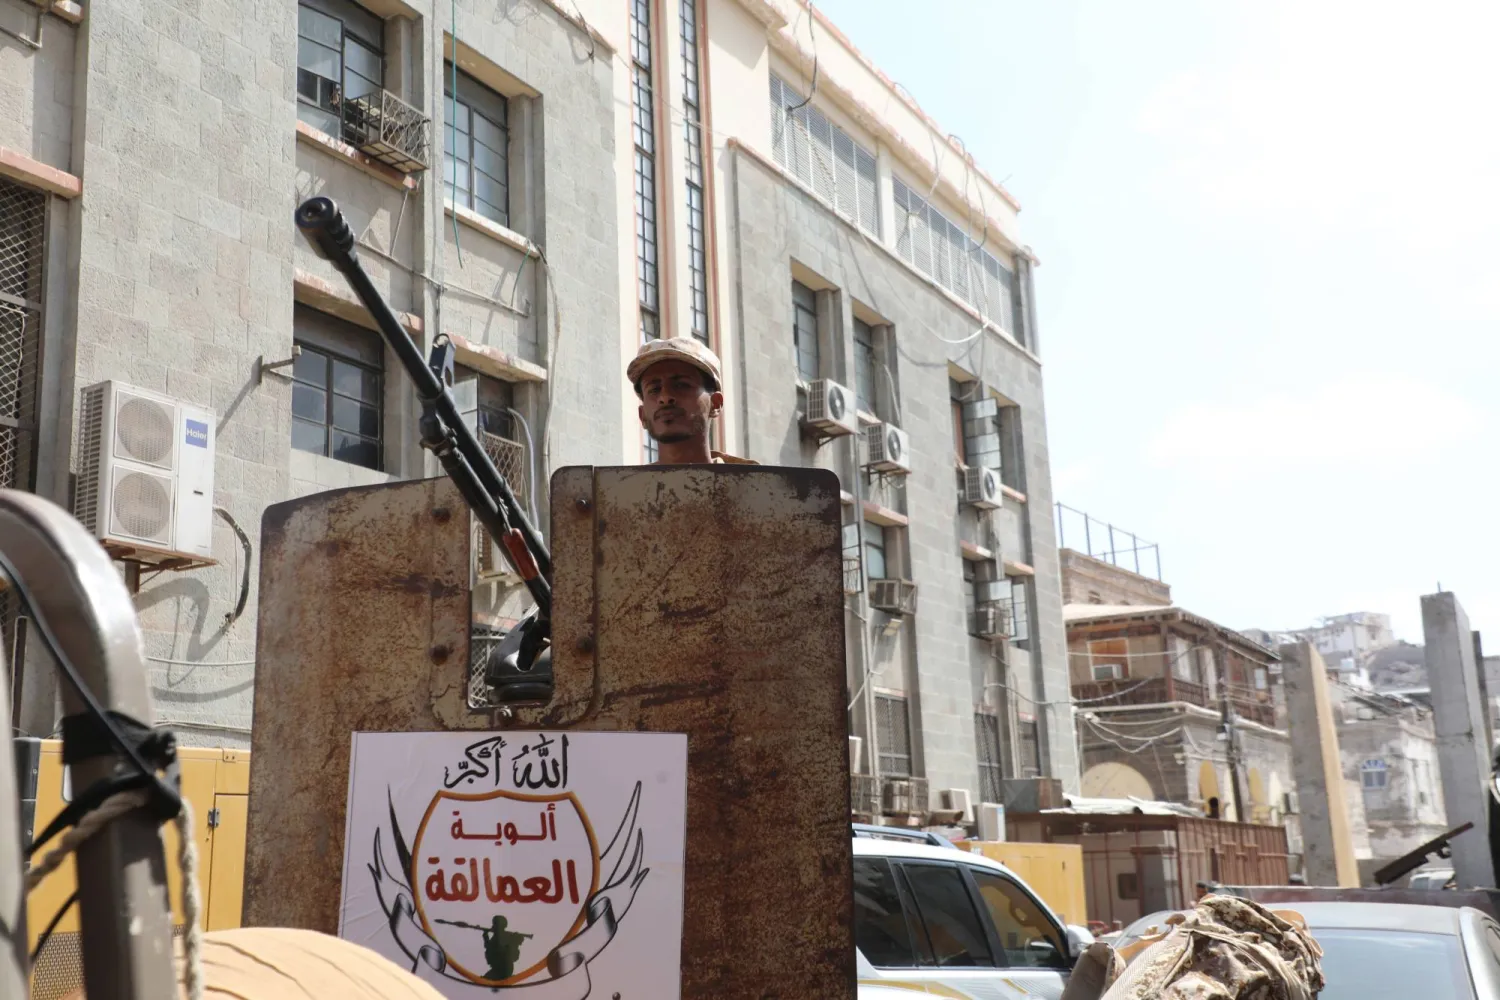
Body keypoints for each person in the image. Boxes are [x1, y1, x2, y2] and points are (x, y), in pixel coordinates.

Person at [627, 338, 756, 465]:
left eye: (681, 385)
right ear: (642, 415)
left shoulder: (753, 478)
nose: (665, 397)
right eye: (654, 389)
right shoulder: (623, 479)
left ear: (715, 403)